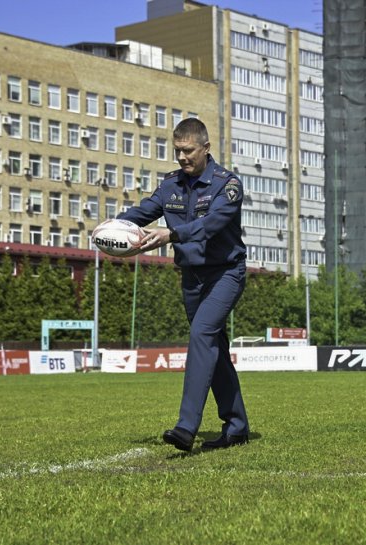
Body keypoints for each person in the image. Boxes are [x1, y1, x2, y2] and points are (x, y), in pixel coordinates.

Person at [117, 118, 250, 452]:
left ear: (205, 147)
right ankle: (236, 427)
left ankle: (186, 427)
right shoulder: (170, 184)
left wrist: (171, 234)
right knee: (214, 349)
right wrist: (111, 228)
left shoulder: (227, 184)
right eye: (177, 151)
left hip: (226, 274)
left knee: (201, 335)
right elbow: (144, 211)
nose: (182, 157)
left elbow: (213, 223)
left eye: (188, 150)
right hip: (192, 278)